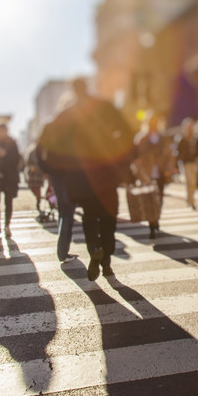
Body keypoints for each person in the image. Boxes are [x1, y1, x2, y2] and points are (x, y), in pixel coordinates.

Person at [38, 78, 134, 281]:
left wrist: (52, 168)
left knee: (89, 217)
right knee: (108, 217)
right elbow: (127, 132)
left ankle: (95, 250)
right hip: (105, 171)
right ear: (87, 87)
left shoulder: (66, 114)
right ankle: (106, 261)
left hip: (79, 175)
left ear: (73, 90)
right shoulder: (105, 107)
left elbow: (44, 142)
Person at [132, 113, 174, 238]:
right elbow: (136, 154)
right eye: (151, 122)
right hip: (147, 173)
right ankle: (152, 223)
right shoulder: (141, 138)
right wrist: (138, 170)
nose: (153, 124)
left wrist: (169, 168)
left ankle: (156, 217)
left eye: (155, 122)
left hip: (161, 172)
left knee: (160, 197)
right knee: (149, 199)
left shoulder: (163, 137)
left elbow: (170, 153)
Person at [174, 118, 198, 209]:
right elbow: (178, 153)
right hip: (186, 163)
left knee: (194, 182)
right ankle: (190, 200)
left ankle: (190, 199)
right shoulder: (182, 139)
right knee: (190, 181)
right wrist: (176, 165)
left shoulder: (195, 138)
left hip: (194, 162)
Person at [24, 143, 49, 221]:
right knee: (35, 189)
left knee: (42, 190)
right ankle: (39, 202)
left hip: (40, 174)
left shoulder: (43, 151)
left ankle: (42, 202)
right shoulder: (32, 151)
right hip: (33, 175)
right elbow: (28, 162)